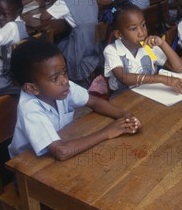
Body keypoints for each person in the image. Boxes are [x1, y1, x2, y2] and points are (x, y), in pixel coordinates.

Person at [8, 39, 141, 160]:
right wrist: (107, 132)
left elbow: (95, 102)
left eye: (64, 72)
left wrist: (126, 116)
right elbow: (61, 152)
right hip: (29, 166)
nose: (65, 80)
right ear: (32, 88)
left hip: (63, 143)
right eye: (55, 78)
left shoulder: (62, 88)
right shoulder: (30, 110)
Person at [103, 0, 182, 98]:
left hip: (149, 94)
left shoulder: (148, 47)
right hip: (124, 98)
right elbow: (124, 78)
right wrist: (162, 79)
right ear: (119, 34)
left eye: (143, 25)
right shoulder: (112, 51)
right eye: (133, 29)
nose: (141, 33)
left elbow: (179, 68)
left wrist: (162, 43)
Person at [40, 0, 102, 83]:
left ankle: (60, 74)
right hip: (95, 42)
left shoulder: (64, 2)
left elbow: (44, 17)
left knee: (58, 45)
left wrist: (57, 2)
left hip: (80, 46)